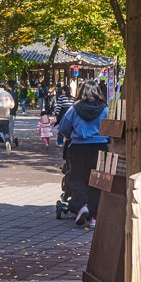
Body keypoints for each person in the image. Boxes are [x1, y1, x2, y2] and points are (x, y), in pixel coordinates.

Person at [57, 78, 109, 227]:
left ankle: (81, 206)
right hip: (100, 147)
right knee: (97, 180)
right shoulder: (105, 109)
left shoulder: (74, 108)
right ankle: (94, 217)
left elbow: (63, 128)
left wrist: (70, 136)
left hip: (79, 147)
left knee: (77, 178)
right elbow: (111, 129)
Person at [5, 80, 19, 148]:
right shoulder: (14, 94)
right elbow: (16, 104)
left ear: (7, 85)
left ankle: (6, 141)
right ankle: (10, 142)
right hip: (12, 113)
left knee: (3, 128)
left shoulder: (5, 94)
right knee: (10, 129)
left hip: (5, 113)